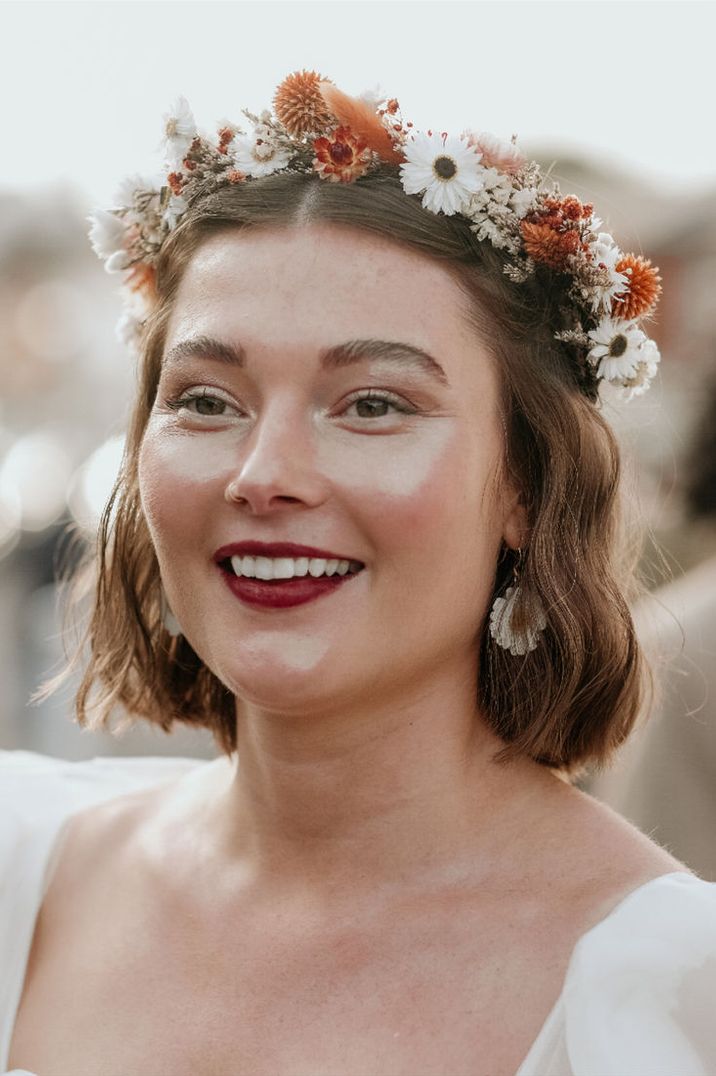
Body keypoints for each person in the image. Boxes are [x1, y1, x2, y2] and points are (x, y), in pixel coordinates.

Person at [3, 70, 715, 1076]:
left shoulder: (671, 992)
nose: (265, 475)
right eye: (207, 400)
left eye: (372, 404)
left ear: (522, 483)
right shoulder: (19, 872)